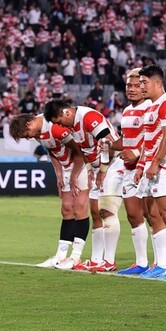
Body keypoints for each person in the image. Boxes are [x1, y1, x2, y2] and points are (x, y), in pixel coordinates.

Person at [44, 99, 119, 272]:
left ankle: (109, 261)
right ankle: (96, 259)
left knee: (106, 211)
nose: (60, 127)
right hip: (98, 168)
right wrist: (90, 168)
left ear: (66, 113)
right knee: (95, 212)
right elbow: (85, 150)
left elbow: (108, 144)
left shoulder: (88, 117)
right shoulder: (72, 125)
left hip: (113, 165)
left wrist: (102, 170)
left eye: (59, 122)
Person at [9, 113, 87, 269]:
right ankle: (60, 256)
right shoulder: (38, 133)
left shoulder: (55, 127)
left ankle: (75, 256)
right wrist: (59, 175)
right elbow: (52, 151)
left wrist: (73, 176)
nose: (28, 138)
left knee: (79, 208)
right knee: (66, 209)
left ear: (29, 124)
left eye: (26, 135)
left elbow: (79, 151)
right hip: (66, 167)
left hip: (82, 164)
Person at [133, 64, 166, 280]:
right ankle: (162, 264)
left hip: (165, 165)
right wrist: (141, 165)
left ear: (157, 83)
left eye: (144, 82)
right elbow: (147, 140)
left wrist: (154, 162)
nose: (141, 87)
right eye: (140, 83)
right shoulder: (150, 106)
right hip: (150, 165)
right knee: (151, 214)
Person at [112, 69, 156, 275]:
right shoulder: (127, 110)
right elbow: (127, 140)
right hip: (128, 169)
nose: (132, 89)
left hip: (146, 168)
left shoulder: (150, 107)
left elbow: (152, 138)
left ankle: (160, 263)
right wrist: (110, 144)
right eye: (129, 85)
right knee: (133, 215)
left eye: (137, 85)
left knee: (152, 215)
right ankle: (141, 262)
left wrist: (137, 154)